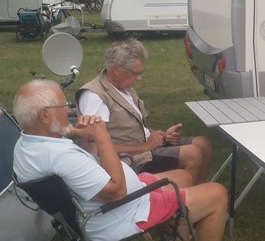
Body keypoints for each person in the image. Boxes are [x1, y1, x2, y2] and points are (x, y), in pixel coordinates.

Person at [13, 79, 240, 241]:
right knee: (217, 193)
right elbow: (117, 191)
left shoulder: (26, 145)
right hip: (121, 213)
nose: (69, 110)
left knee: (184, 177)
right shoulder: (61, 157)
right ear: (45, 115)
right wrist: (102, 136)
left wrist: (77, 132)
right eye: (64, 106)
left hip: (106, 208)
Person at [76, 39, 213, 187]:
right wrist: (145, 146)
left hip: (145, 147)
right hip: (128, 160)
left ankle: (200, 192)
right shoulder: (95, 96)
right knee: (193, 154)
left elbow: (133, 128)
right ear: (116, 69)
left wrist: (163, 135)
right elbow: (96, 149)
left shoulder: (123, 86)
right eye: (135, 74)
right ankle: (186, 198)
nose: (139, 78)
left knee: (204, 143)